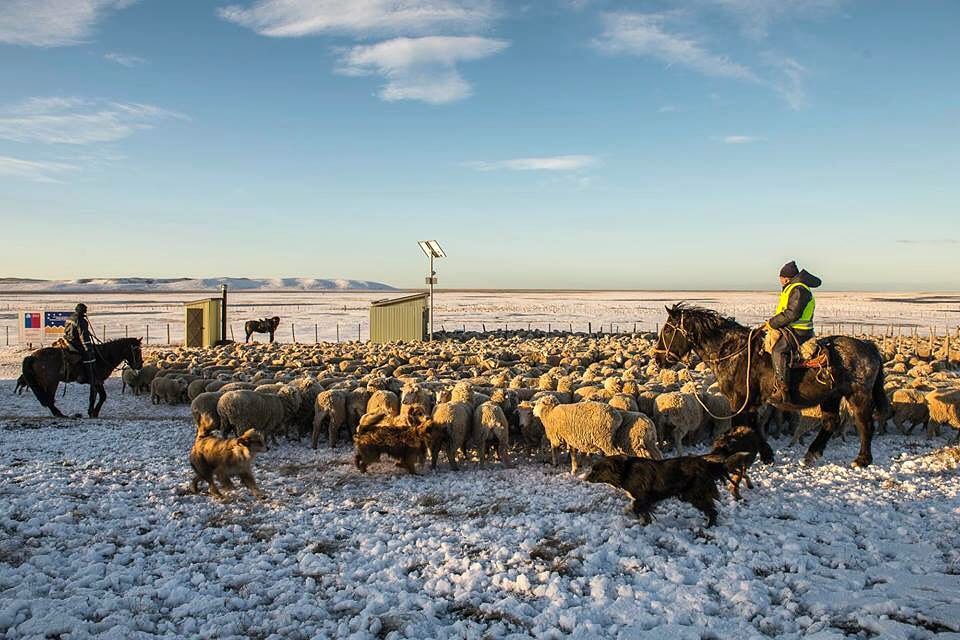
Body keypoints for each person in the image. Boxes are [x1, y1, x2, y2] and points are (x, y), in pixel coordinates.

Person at [764, 261, 822, 404]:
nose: (780, 281)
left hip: (799, 331)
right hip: (790, 328)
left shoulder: (798, 289)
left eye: (781, 278)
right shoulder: (792, 288)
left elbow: (792, 314)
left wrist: (772, 323)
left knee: (778, 351)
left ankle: (783, 389)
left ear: (786, 278)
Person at [63, 303, 97, 382]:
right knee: (88, 357)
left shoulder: (70, 317)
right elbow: (83, 336)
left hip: (67, 340)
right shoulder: (80, 320)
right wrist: (87, 348)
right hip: (75, 342)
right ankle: (86, 376)